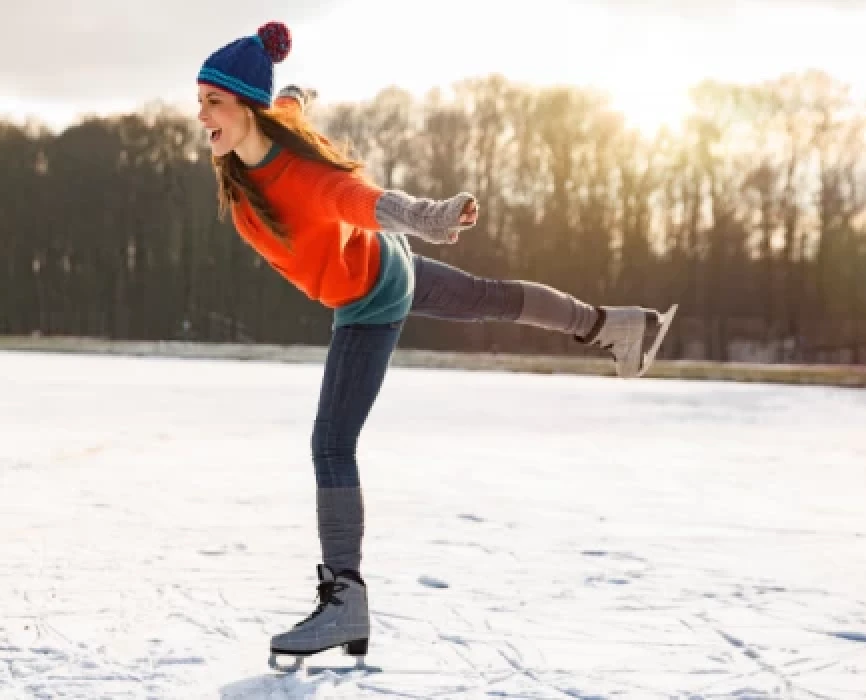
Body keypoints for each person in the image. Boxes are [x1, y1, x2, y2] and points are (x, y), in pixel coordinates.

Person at [195, 22, 677, 667]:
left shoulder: (302, 176)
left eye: (213, 103)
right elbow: (286, 108)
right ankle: (616, 327)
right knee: (486, 297)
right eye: (200, 102)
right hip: (385, 267)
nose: (201, 117)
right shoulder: (258, 143)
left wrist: (426, 217)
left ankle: (346, 599)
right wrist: (298, 97)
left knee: (331, 447)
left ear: (243, 108)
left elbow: (361, 200)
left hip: (370, 291)